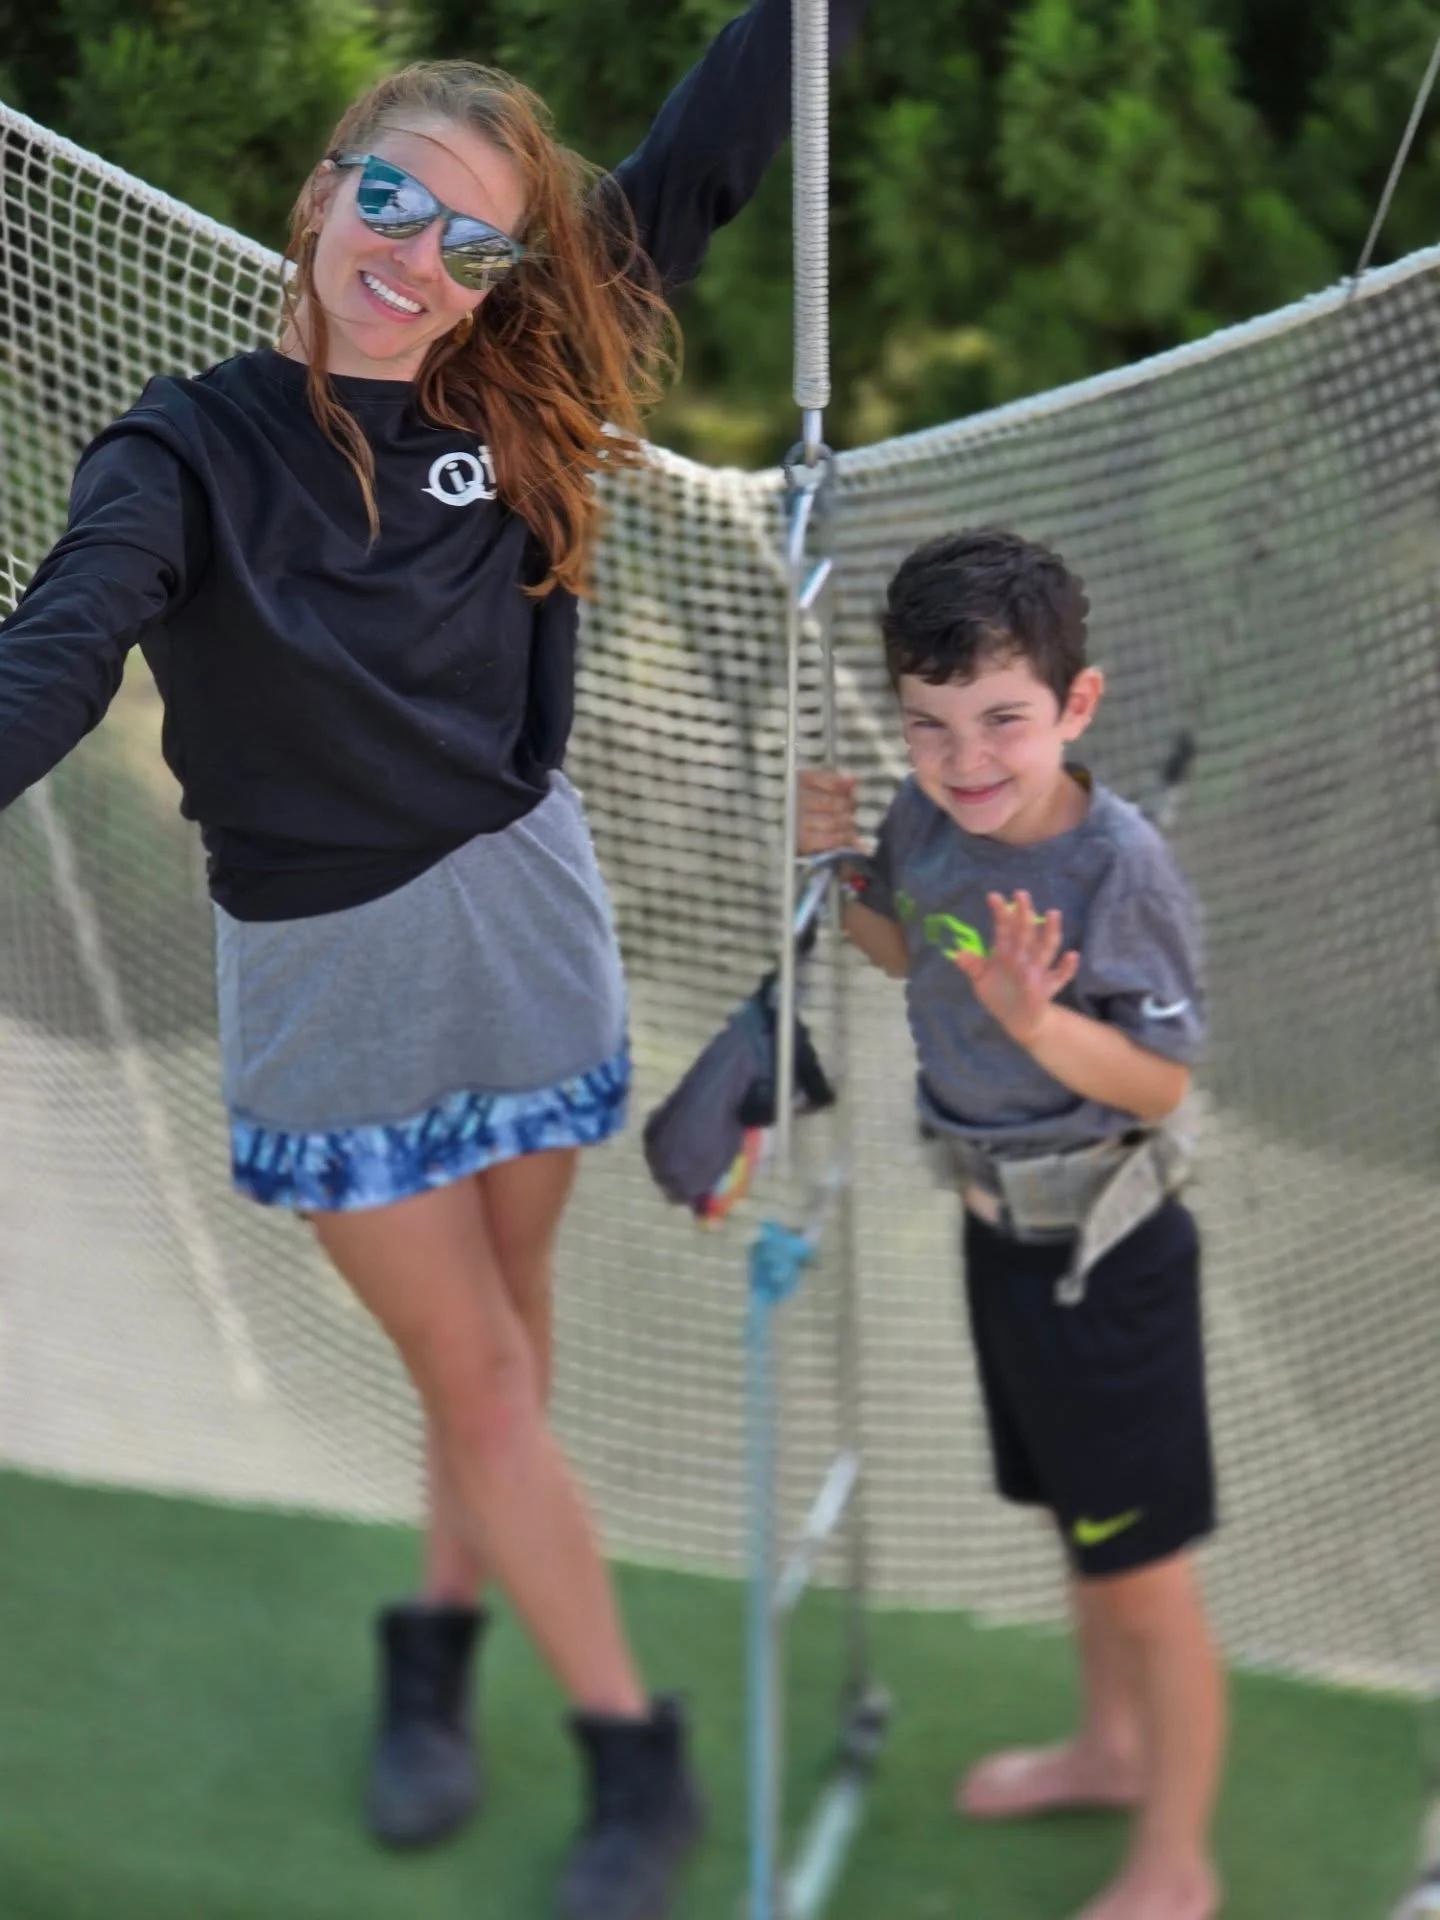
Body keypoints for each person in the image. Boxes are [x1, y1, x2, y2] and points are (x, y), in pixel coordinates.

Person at [0, 5, 865, 1913]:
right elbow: (63, 643)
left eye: (475, 243)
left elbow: (714, 138)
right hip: (326, 968)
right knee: (474, 1373)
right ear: (323, 198)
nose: (421, 263)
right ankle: (634, 1755)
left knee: (505, 1350)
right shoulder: (186, 452)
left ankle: (438, 1641)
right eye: (395, 204)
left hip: (523, 911)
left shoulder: (520, 372)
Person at [798, 528, 1224, 1920]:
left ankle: (1177, 1857)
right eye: (930, 727)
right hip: (1000, 1238)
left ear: (1075, 707)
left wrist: (1041, 1026)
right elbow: (917, 956)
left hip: (1106, 1258)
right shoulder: (933, 822)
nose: (965, 759)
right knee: (1077, 1527)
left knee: (1145, 1572)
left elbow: (1160, 1083)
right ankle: (1106, 1752)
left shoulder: (1123, 872)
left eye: (1002, 722)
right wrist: (847, 873)